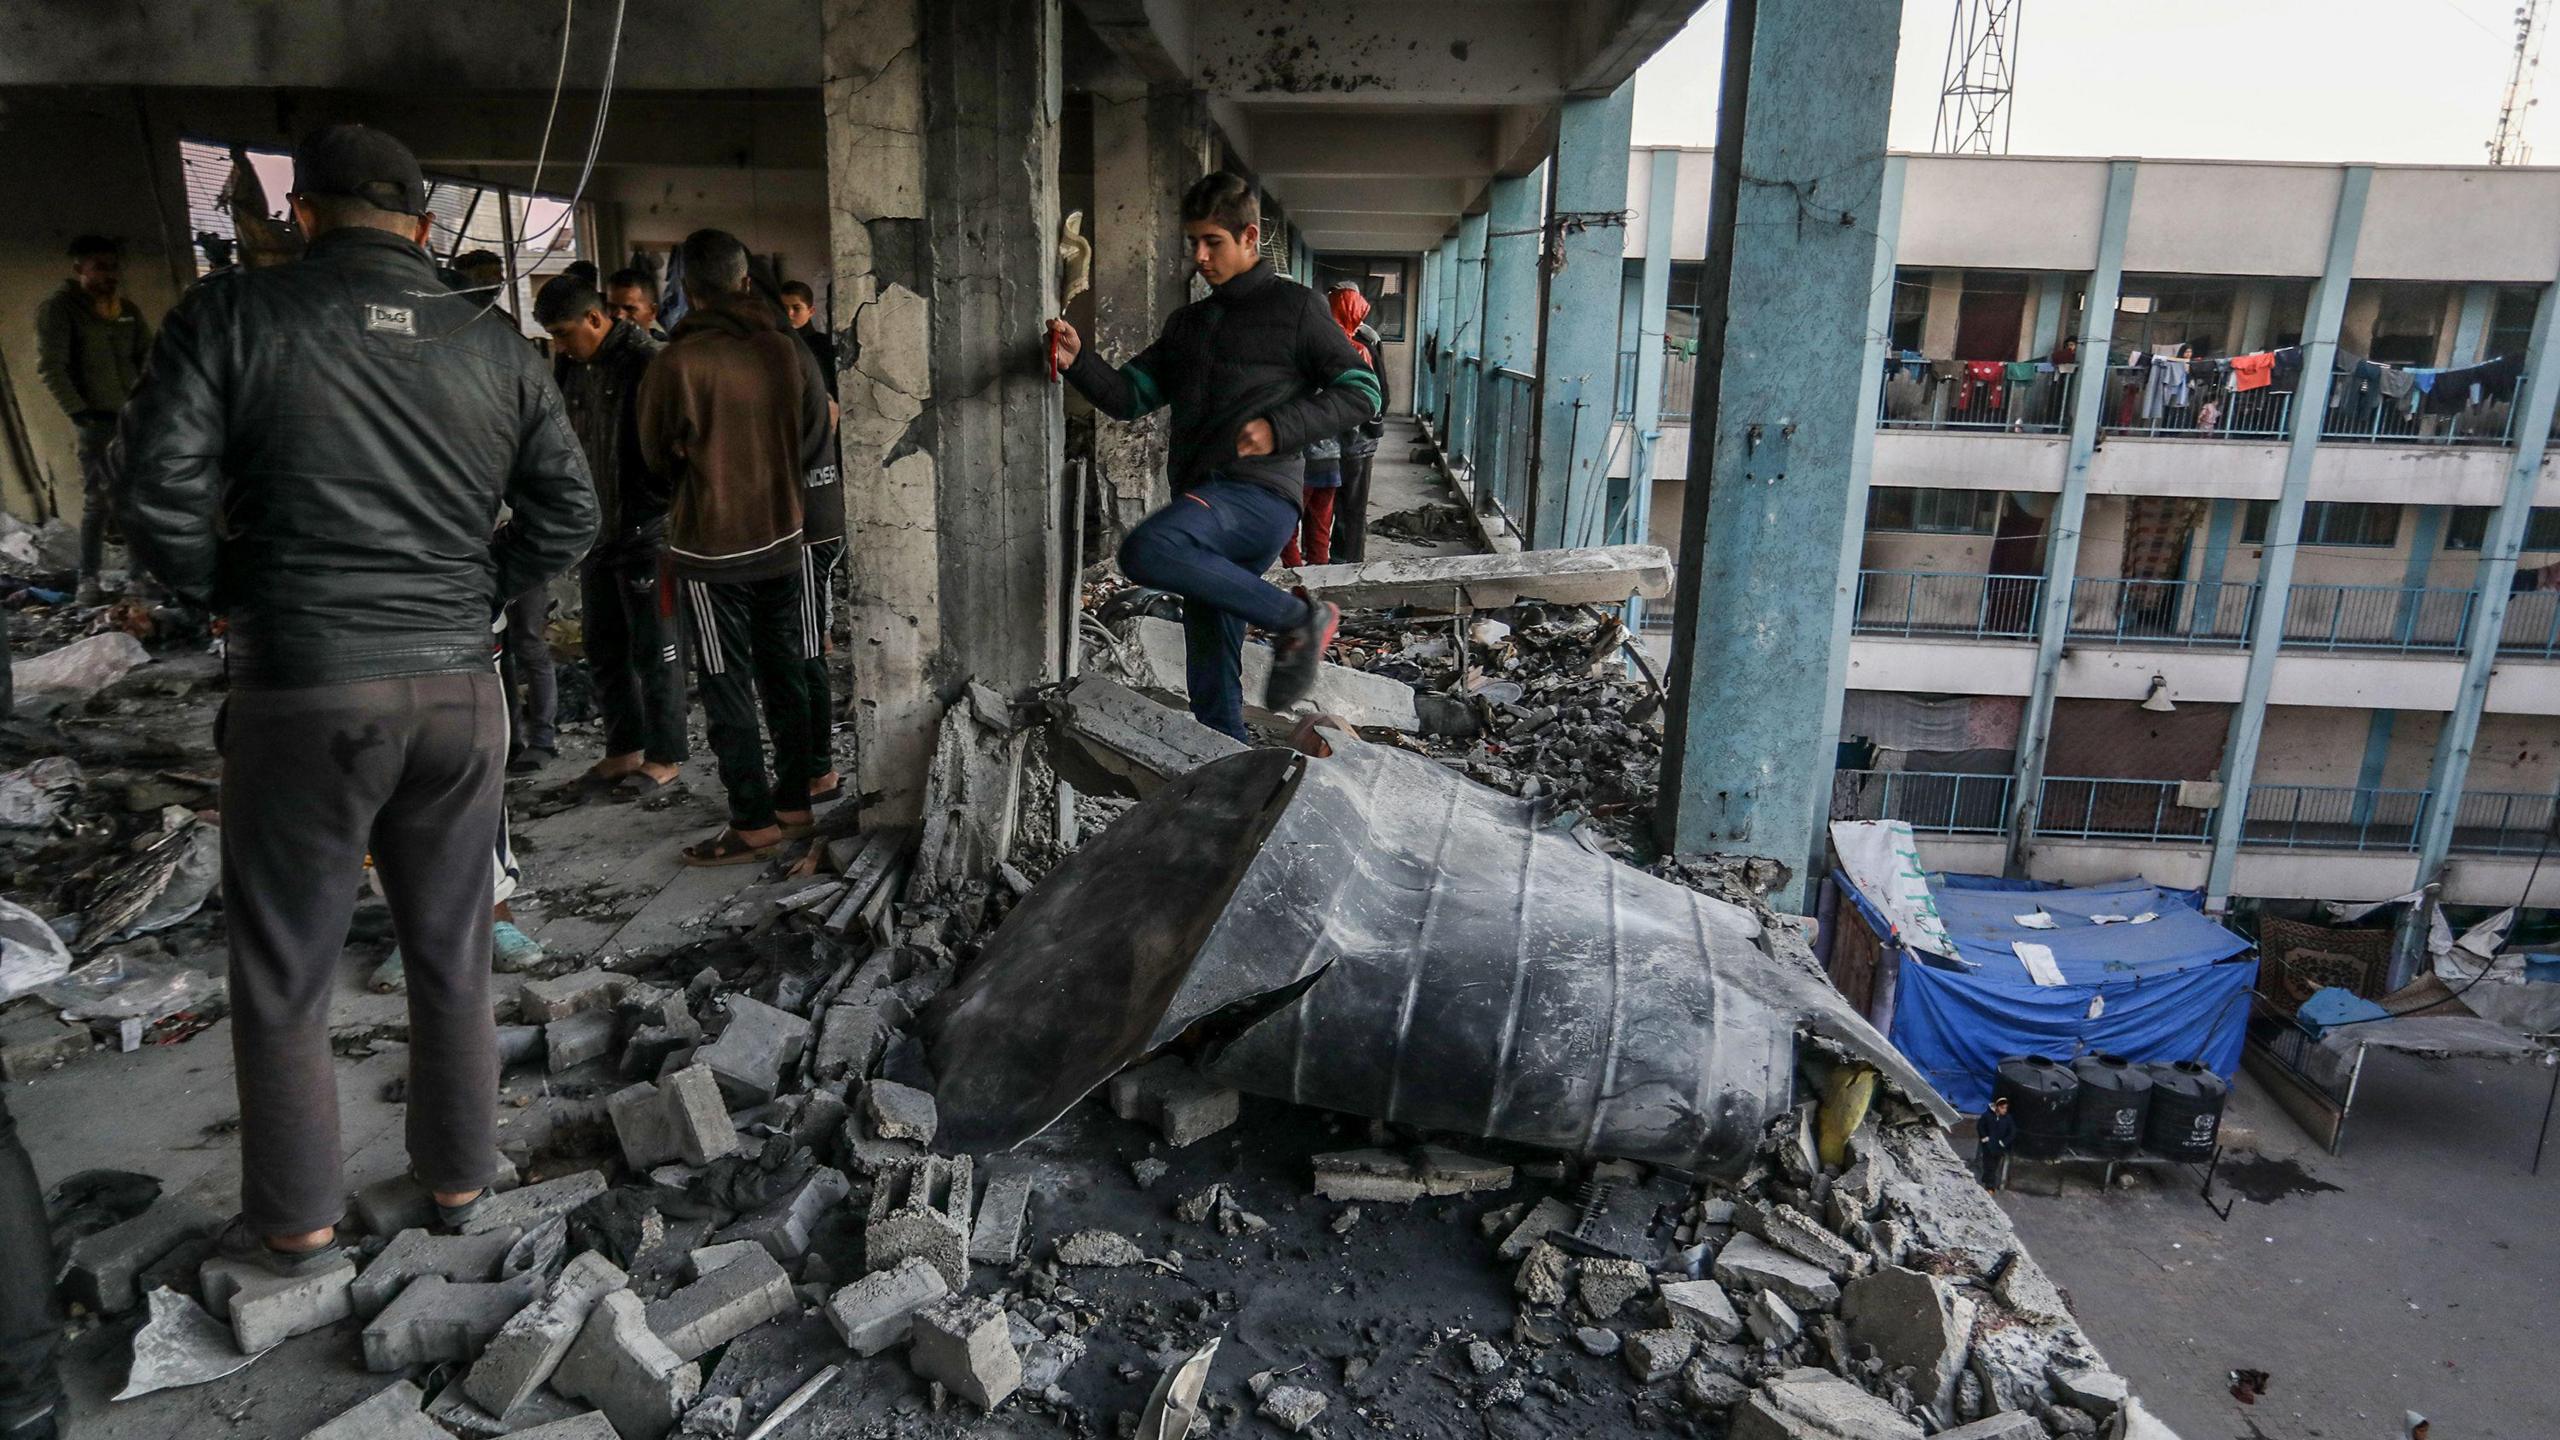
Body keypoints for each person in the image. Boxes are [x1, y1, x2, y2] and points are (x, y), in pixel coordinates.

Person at [118, 122, 595, 1270]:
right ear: (425, 229)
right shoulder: (497, 347)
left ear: (304, 216)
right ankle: (462, 1183)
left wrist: (237, 592)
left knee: (286, 967)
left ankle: (298, 1220)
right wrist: (476, 596)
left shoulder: (232, 316)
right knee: (453, 948)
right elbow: (571, 515)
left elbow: (158, 496)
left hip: (304, 688)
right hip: (458, 690)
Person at [1048, 172, 1380, 741]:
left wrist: (1281, 427)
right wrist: (1078, 361)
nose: (1200, 257)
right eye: (1193, 244)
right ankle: (1225, 760)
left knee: (1149, 548)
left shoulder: (1296, 308)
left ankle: (1300, 620)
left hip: (1258, 497)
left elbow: (1362, 392)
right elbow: (1131, 396)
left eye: (1213, 243)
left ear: (1249, 237)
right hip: (1207, 501)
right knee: (1210, 651)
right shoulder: (1190, 325)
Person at [637, 228, 831, 867]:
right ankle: (797, 804)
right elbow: (811, 436)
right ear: (747, 282)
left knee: (726, 685)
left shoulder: (675, 364)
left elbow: (654, 459)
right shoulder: (788, 350)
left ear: (687, 291)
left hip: (712, 551)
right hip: (785, 537)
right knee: (788, 673)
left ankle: (751, 823)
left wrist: (705, 479)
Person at [536, 275, 689, 800]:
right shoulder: (573, 368)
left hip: (650, 530)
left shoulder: (648, 362)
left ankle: (666, 756)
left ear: (596, 319)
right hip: (596, 532)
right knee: (603, 647)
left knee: (657, 649)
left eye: (563, 332)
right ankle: (624, 749)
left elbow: (678, 444)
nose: (559, 344)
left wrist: (661, 502)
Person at [35, 234, 154, 606]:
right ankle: (89, 581)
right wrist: (80, 412)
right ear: (79, 269)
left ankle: (138, 579)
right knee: (98, 502)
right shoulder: (61, 309)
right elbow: (51, 366)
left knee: (136, 500)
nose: (110, 274)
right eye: (100, 266)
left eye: (113, 266)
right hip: (95, 422)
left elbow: (148, 359)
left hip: (132, 418)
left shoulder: (127, 310)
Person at [1326, 283, 1388, 562]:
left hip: (1343, 439)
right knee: (1352, 505)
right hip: (1359, 440)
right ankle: (1346, 560)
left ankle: (1341, 561)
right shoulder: (1366, 339)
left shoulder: (1342, 344)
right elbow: (1380, 394)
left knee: (1334, 504)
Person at [1280, 435, 1340, 568]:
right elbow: (1352, 428)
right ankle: (1317, 579)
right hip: (1330, 463)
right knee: (1320, 528)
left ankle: (1297, 580)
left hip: (1297, 466)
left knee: (1285, 529)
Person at [779, 280, 838, 399]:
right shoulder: (773, 342)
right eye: (784, 308)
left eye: (796, 308)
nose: (789, 314)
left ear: (810, 311)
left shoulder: (823, 345)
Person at [608, 266, 667, 342]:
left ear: (652, 312)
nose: (619, 316)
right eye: (612, 307)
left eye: (629, 309)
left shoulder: (669, 351)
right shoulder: (601, 349)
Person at [1976, 1095, 2017, 1191]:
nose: (2005, 1110)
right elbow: (1980, 1126)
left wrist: (2004, 1142)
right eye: (2003, 1108)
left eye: (2006, 1108)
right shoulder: (1987, 1116)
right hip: (1989, 1145)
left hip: (1999, 1146)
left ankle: (1986, 1178)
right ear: (1997, 1107)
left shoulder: (2007, 1119)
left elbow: (2012, 1131)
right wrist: (1984, 1137)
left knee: (1994, 1164)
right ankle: (1990, 1186)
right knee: (1989, 1165)